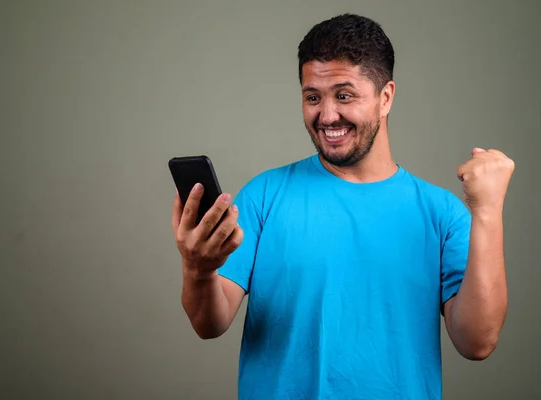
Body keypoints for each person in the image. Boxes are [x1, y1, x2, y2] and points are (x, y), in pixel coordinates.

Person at [170, 13, 514, 400]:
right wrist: (197, 269)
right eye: (312, 97)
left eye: (344, 95)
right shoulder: (263, 197)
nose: (327, 115)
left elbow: (477, 342)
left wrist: (487, 212)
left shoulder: (442, 213)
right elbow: (208, 323)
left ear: (386, 98)